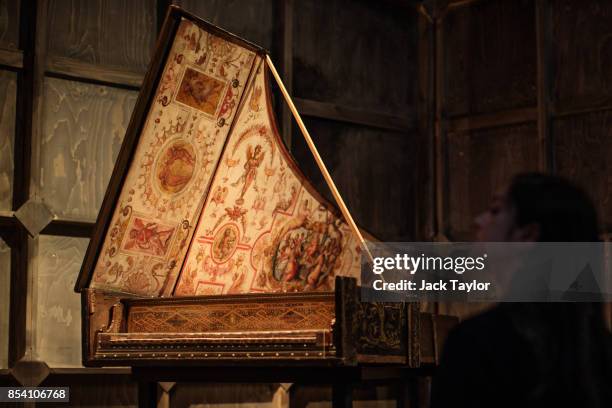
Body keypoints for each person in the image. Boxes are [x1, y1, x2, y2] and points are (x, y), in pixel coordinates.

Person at [430, 173, 612, 408]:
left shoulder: (477, 344)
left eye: (495, 211)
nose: (478, 220)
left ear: (527, 235)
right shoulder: (601, 351)